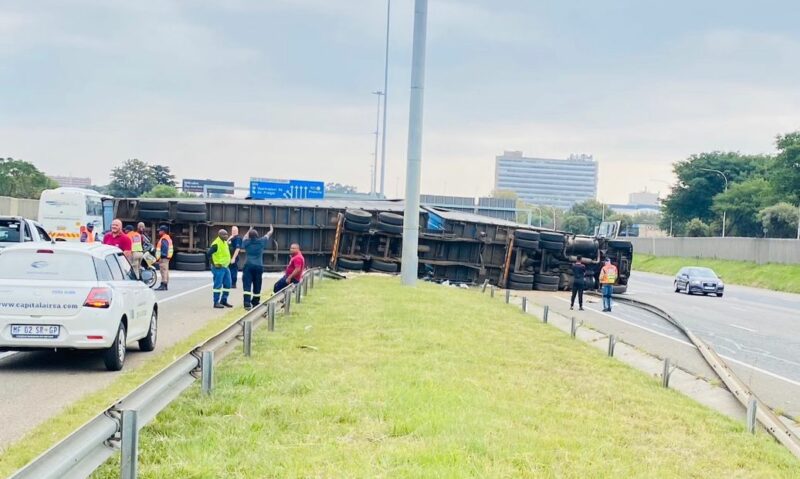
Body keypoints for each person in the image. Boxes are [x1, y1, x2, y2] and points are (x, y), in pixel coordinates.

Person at [241, 225, 274, 310]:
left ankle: (247, 304)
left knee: (247, 285)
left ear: (249, 236)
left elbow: (244, 237)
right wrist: (271, 229)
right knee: (257, 284)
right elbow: (268, 234)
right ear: (257, 236)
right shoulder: (261, 241)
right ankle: (255, 302)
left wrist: (249, 229)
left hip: (248, 266)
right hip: (258, 266)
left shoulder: (246, 242)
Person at [207, 229, 234, 308]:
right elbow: (208, 254)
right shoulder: (215, 244)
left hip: (225, 267)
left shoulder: (225, 242)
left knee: (228, 284)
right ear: (219, 235)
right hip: (218, 267)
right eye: (224, 235)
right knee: (217, 285)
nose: (226, 236)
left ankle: (224, 300)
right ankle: (216, 302)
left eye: (227, 234)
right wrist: (214, 264)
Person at [154, 225, 173, 291]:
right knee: (166, 271)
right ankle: (165, 285)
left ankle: (163, 284)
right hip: (166, 257)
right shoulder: (167, 238)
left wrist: (161, 255)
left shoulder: (164, 239)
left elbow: (164, 248)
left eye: (160, 230)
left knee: (163, 271)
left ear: (163, 231)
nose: (159, 232)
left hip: (164, 257)